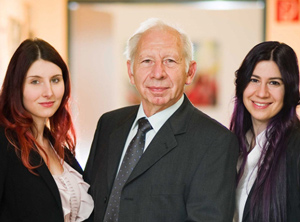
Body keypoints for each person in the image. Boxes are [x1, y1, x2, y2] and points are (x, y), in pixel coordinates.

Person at [84, 18, 239, 222]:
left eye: (170, 61)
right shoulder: (109, 124)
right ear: (131, 71)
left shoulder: (215, 142)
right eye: (147, 61)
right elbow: (87, 206)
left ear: (190, 72)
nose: (158, 73)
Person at [0, 38, 94, 221]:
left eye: (55, 80)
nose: (48, 92)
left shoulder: (57, 147)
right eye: (35, 82)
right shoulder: (4, 141)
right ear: (16, 87)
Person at [230, 41, 300, 222]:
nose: (262, 93)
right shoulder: (234, 145)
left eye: (274, 83)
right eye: (254, 80)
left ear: (289, 90)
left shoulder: (296, 148)